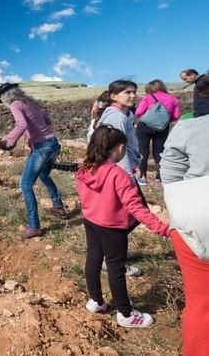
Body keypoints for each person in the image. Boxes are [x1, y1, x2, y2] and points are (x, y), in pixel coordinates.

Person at [78, 125, 170, 329]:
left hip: (91, 221)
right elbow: (136, 208)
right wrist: (162, 228)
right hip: (113, 228)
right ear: (120, 148)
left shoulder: (86, 167)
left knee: (93, 260)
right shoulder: (118, 174)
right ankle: (125, 314)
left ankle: (96, 301)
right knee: (115, 268)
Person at [160, 76, 209, 354]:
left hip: (196, 218)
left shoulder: (187, 127)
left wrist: (178, 213)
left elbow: (169, 173)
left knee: (202, 303)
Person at [0, 83, 66, 239]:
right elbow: (47, 121)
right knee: (44, 175)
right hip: (54, 144)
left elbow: (22, 124)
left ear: (5, 97)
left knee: (25, 185)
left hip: (41, 148)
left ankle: (34, 226)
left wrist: (7, 140)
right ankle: (58, 206)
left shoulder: (15, 104)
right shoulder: (30, 102)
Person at [87, 80, 141, 180]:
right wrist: (127, 177)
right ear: (113, 97)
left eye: (134, 92)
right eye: (128, 92)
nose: (133, 96)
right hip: (120, 173)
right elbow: (117, 150)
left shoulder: (120, 114)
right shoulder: (117, 117)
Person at [134, 80, 181, 185]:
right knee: (159, 152)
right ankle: (159, 178)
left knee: (143, 151)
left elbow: (138, 113)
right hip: (162, 128)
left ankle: (142, 178)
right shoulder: (173, 99)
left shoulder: (147, 97)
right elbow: (176, 116)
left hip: (144, 127)